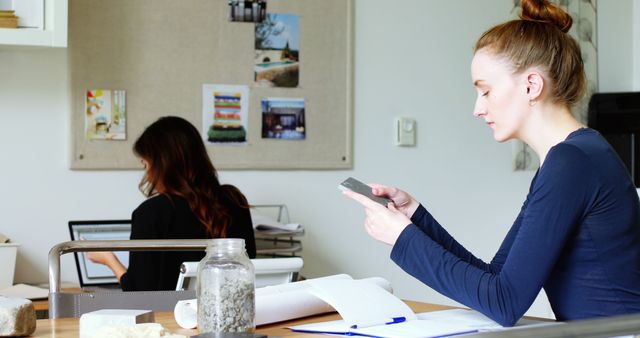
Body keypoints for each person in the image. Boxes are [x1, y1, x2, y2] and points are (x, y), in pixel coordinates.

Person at [344, 0, 640, 327]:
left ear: (531, 85)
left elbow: (503, 301)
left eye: (485, 91)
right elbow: (496, 276)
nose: (477, 108)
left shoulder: (572, 163)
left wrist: (402, 238)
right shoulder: (571, 157)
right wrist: (415, 218)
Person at [87, 116, 256, 291]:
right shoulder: (235, 200)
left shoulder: (151, 213)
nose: (147, 173)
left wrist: (110, 260)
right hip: (228, 313)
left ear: (160, 165)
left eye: (145, 164)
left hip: (168, 316)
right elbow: (250, 266)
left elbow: (139, 292)